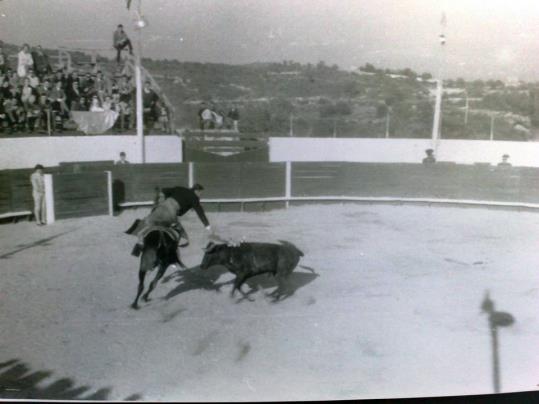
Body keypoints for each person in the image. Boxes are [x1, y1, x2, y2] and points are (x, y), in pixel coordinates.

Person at [129, 184, 211, 256]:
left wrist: (162, 200)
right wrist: (207, 225)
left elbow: (164, 190)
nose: (200, 195)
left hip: (162, 206)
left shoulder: (180, 188)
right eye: (200, 193)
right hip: (171, 212)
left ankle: (138, 245)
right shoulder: (194, 198)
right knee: (176, 232)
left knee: (150, 223)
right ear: (196, 191)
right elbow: (200, 213)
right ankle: (168, 253)